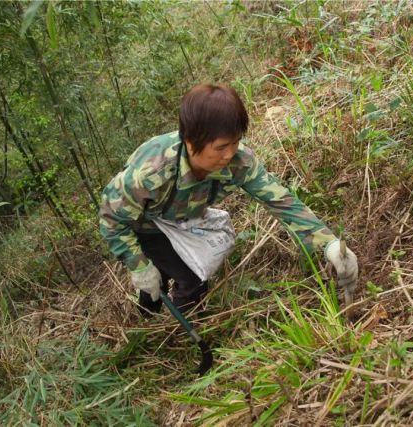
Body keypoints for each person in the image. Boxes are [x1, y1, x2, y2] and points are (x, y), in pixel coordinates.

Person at [99, 84, 358, 316]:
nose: (229, 154)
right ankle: (163, 328)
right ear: (191, 142)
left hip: (182, 218)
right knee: (181, 278)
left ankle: (167, 314)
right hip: (145, 224)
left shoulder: (239, 162)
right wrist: (138, 265)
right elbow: (111, 218)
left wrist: (329, 244)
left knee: (179, 273)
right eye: (221, 147)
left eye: (235, 143)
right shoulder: (151, 172)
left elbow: (281, 202)